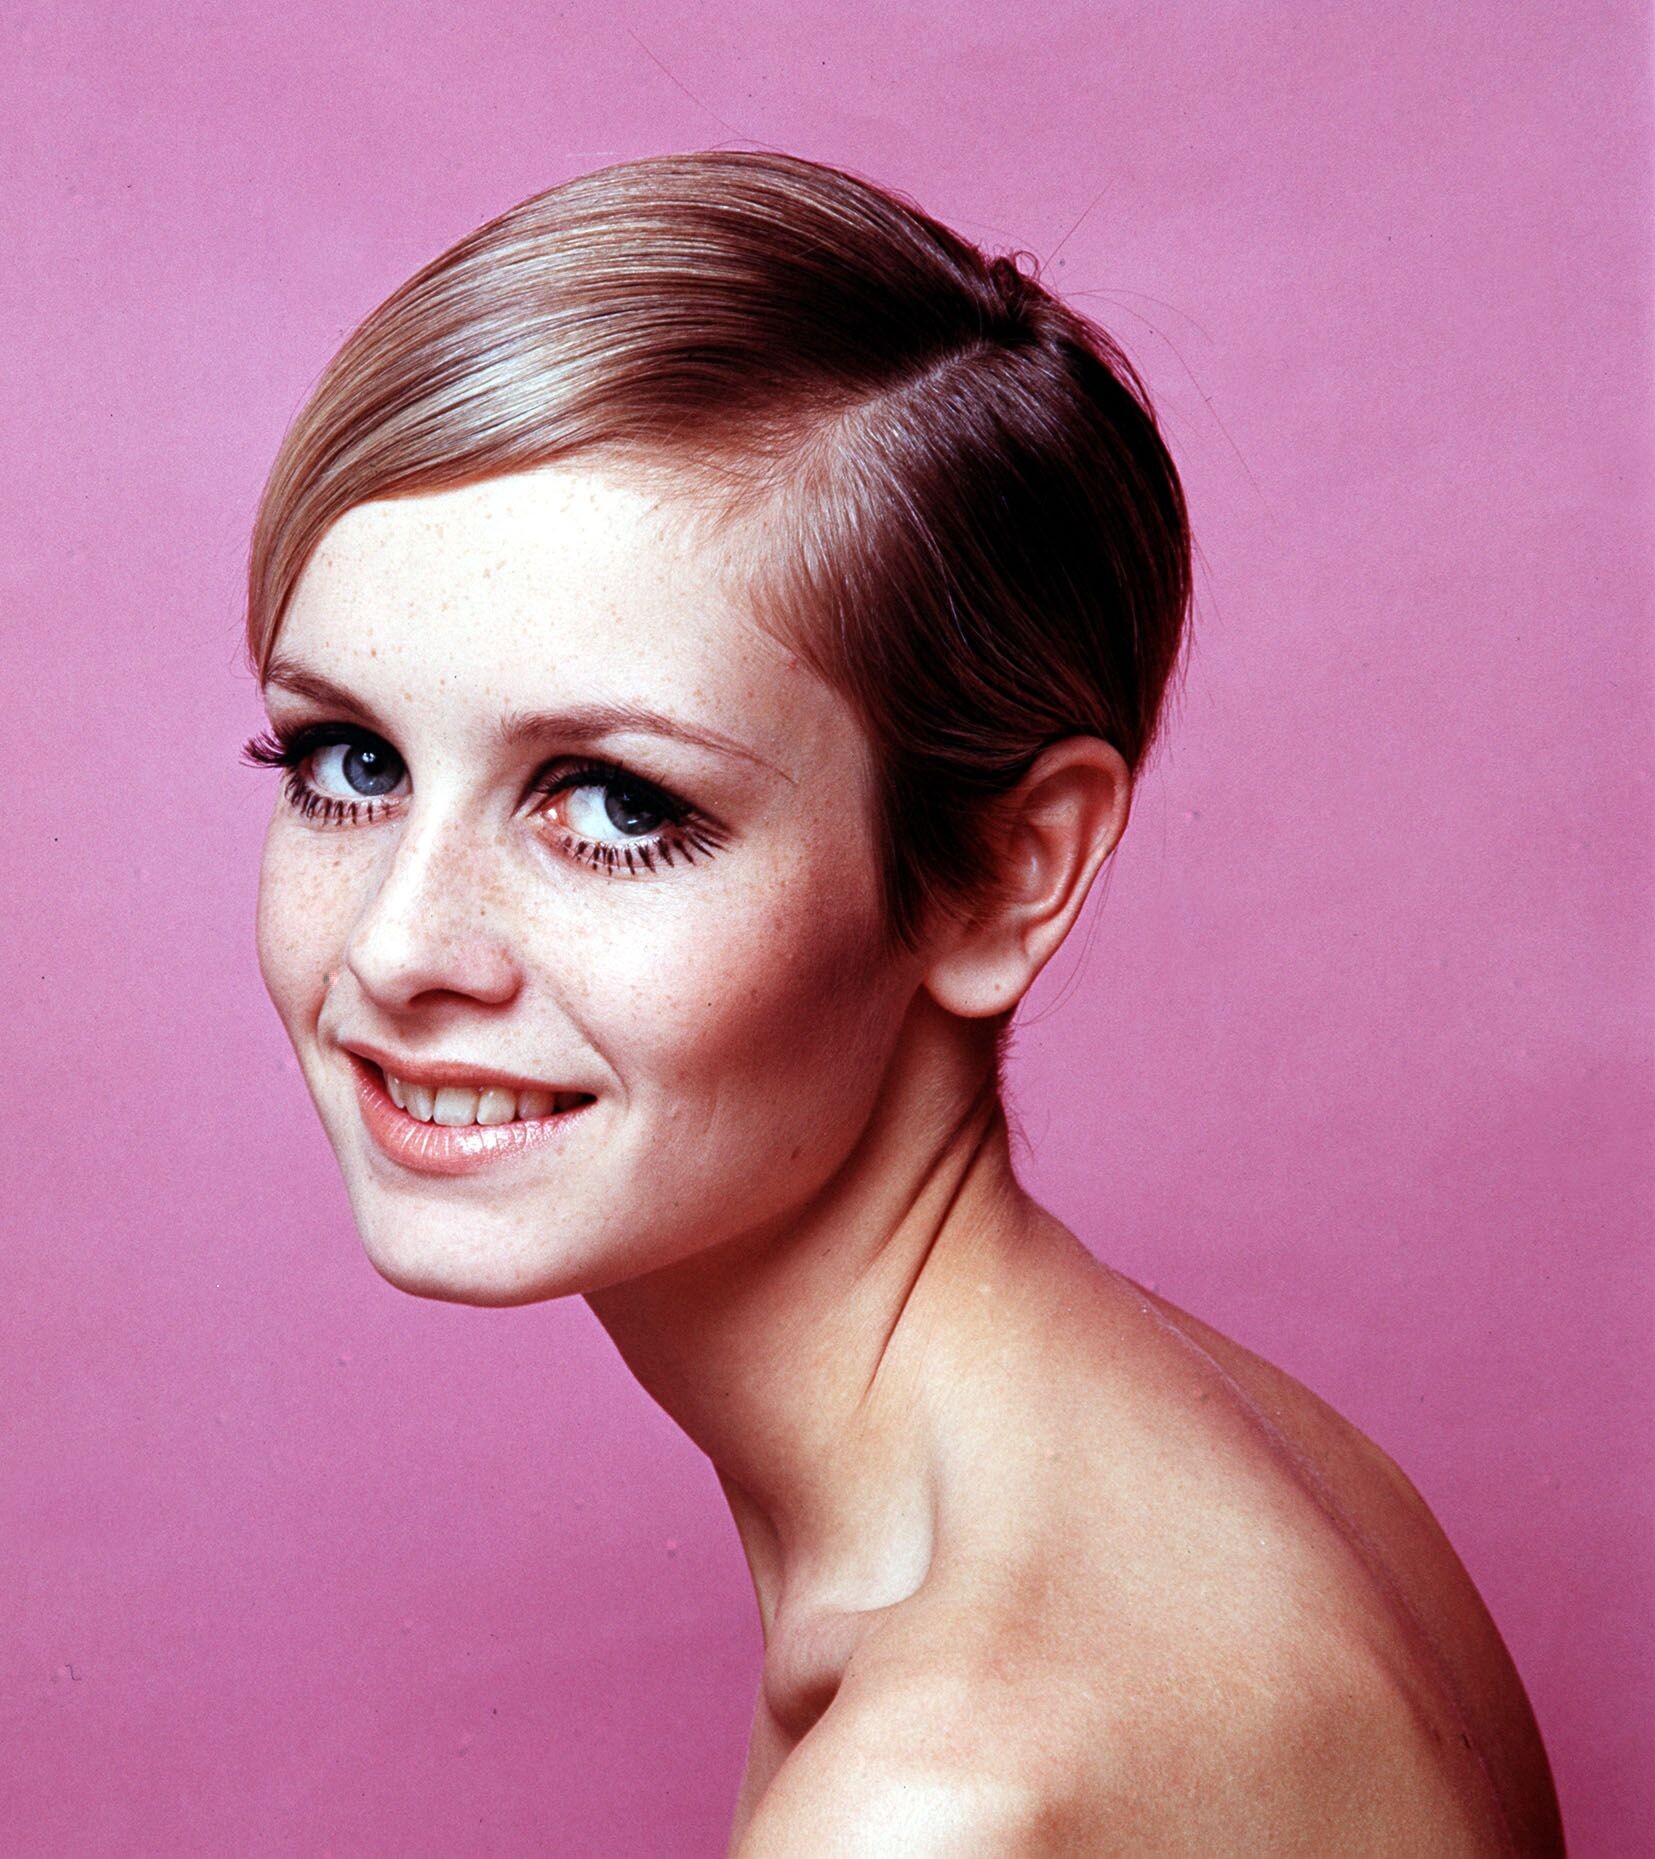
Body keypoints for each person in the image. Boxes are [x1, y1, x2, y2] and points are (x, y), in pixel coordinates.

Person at [240, 149, 1563, 1854]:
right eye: (349, 761)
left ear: (1008, 871)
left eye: (620, 804)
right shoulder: (1245, 1468)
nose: (399, 946)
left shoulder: (947, 1796)